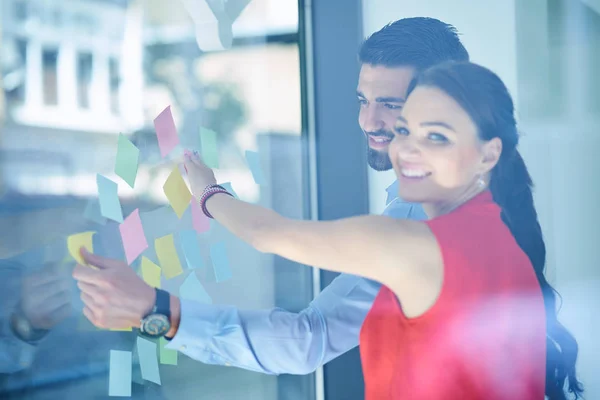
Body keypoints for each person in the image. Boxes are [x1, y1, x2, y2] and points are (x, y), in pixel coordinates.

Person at [75, 61, 584, 399]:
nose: (404, 147)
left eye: (437, 135)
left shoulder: (417, 242)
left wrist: (206, 199)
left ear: (488, 153)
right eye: (406, 129)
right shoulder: (498, 237)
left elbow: (273, 237)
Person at [66, 17, 470, 376]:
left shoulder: (424, 217)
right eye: (363, 100)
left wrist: (157, 310)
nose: (368, 120)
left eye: (390, 104)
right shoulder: (478, 190)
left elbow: (307, 338)